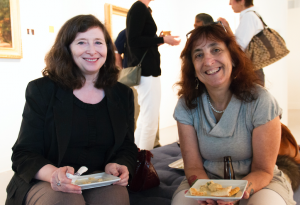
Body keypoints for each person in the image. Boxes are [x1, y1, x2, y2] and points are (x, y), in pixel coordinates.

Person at [5, 14, 138, 205]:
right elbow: (23, 153)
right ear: (67, 48)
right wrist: (53, 174)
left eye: (98, 43)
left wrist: (119, 165)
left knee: (115, 197)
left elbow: (127, 146)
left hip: (97, 178)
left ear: (107, 48)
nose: (92, 51)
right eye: (82, 42)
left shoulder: (123, 94)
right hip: (44, 180)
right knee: (66, 200)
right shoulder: (42, 90)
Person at [171, 23, 295, 205]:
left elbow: (263, 170)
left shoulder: (261, 100)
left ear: (233, 58)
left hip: (257, 182)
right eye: (199, 54)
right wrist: (206, 192)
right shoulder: (186, 105)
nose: (208, 60)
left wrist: (233, 195)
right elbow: (194, 166)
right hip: (206, 180)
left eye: (216, 50)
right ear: (194, 69)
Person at [126, 0, 181, 150]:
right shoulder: (139, 8)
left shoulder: (141, 8)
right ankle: (145, 163)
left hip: (147, 71)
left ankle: (137, 158)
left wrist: (160, 41)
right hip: (147, 72)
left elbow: (138, 40)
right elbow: (133, 40)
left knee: (145, 118)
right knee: (150, 122)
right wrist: (162, 39)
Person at [218, 0, 265, 85]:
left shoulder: (248, 16)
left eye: (231, 0)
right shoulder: (253, 15)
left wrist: (227, 29)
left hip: (250, 70)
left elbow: (239, 47)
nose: (229, 3)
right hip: (254, 68)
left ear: (242, 1)